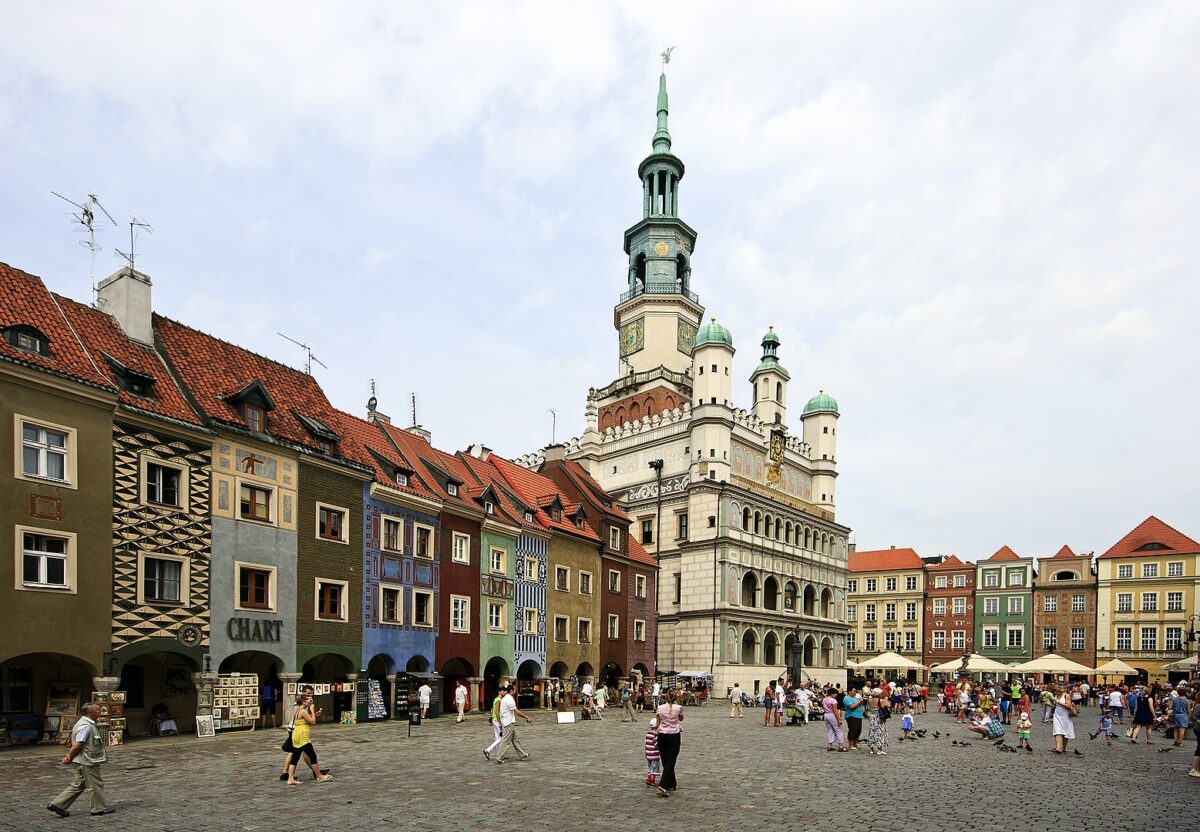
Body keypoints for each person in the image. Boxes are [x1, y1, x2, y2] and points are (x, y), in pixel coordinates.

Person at [46, 703, 112, 818]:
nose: (100, 710)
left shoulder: (86, 723)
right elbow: (77, 745)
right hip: (87, 761)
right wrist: (70, 757)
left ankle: (57, 805)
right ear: (90, 712)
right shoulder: (85, 726)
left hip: (83, 759)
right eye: (98, 709)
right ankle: (98, 809)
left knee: (80, 783)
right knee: (95, 784)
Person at [285, 694, 332, 784]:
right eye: (309, 701)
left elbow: (305, 719)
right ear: (303, 702)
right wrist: (312, 710)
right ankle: (319, 776)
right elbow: (312, 722)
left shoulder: (298, 710)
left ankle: (290, 778)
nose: (311, 702)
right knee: (312, 756)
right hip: (302, 736)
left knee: (295, 757)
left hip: (297, 735)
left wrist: (314, 714)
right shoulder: (303, 711)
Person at [654, 688, 684, 795]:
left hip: (662, 734)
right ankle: (663, 785)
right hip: (674, 735)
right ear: (675, 697)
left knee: (665, 759)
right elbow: (681, 719)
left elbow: (658, 723)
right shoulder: (678, 707)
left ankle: (672, 782)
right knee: (671, 760)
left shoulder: (660, 708)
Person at [493, 684, 532, 764]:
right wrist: (526, 717)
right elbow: (516, 712)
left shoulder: (505, 698)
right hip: (508, 722)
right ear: (511, 690)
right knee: (505, 741)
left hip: (507, 721)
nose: (515, 691)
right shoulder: (509, 699)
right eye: (514, 690)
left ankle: (522, 755)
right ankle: (499, 757)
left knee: (515, 740)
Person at [1051, 684, 1076, 754]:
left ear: (1058, 690)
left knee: (1065, 731)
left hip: (1065, 716)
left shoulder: (1066, 695)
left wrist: (1058, 702)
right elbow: (1055, 706)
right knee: (1057, 731)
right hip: (1057, 715)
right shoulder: (1056, 696)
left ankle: (1063, 748)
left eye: (1054, 691)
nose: (1054, 693)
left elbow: (1068, 706)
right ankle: (1058, 748)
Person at [865, 688, 889, 755]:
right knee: (880, 733)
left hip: (872, 717)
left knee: (872, 732)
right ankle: (879, 749)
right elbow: (888, 705)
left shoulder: (869, 700)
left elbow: (866, 709)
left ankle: (871, 749)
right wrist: (885, 699)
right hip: (879, 718)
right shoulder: (881, 700)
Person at [483, 688, 504, 761]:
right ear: (499, 692)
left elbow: (492, 710)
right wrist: (500, 722)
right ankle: (488, 750)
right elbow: (496, 711)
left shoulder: (496, 699)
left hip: (494, 719)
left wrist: (491, 720)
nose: (504, 692)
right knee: (501, 738)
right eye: (502, 691)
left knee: (497, 738)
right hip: (497, 720)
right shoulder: (498, 700)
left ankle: (499, 754)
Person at [644, 718, 661, 787]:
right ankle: (652, 781)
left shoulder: (648, 734)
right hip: (654, 755)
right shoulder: (656, 735)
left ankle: (648, 779)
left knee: (649, 767)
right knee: (654, 769)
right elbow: (656, 744)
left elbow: (646, 743)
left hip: (648, 754)